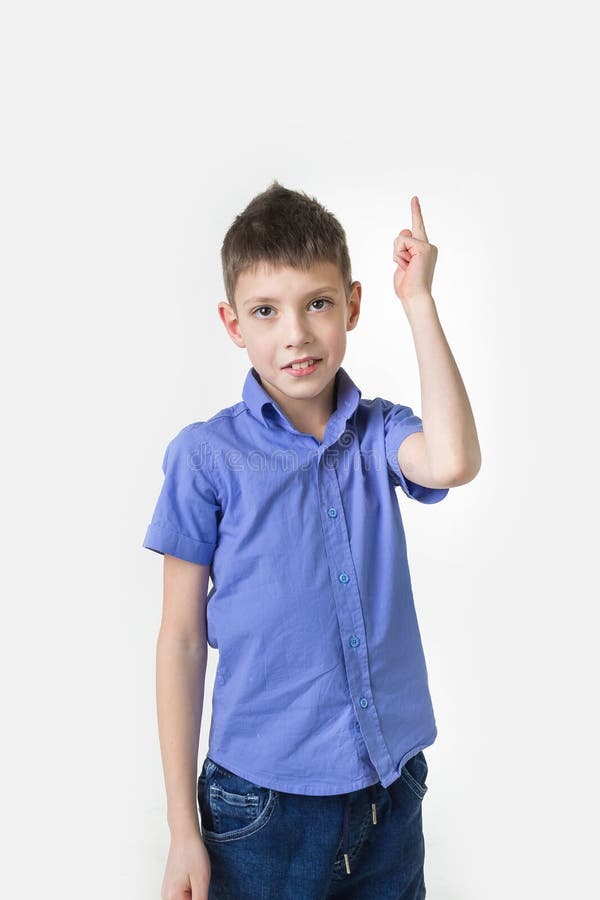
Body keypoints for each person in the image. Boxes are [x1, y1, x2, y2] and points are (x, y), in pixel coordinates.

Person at [142, 181, 481, 899]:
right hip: (261, 809)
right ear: (234, 324)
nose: (295, 332)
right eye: (267, 311)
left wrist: (418, 299)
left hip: (389, 792)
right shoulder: (206, 457)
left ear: (353, 306)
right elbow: (179, 641)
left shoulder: (379, 433)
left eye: (318, 304)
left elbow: (451, 460)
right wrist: (181, 828)